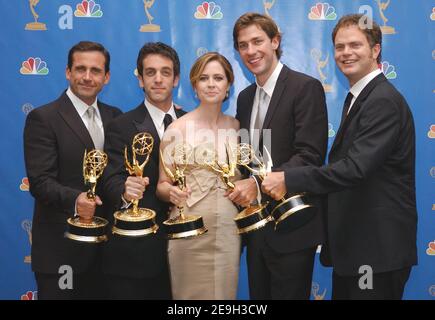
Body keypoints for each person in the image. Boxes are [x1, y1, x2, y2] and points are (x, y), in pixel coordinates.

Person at [262, 14, 418, 300]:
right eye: (339, 46)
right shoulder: (361, 97)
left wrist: (289, 178)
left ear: (375, 49)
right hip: (357, 250)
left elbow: (355, 169)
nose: (345, 53)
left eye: (355, 45)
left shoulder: (382, 100)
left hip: (375, 252)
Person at [231, 12, 328, 299]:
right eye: (243, 45)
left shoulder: (305, 87)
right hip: (257, 229)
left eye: (257, 41)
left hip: (293, 227)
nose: (250, 51)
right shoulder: (245, 98)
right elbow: (246, 156)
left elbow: (310, 154)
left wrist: (257, 184)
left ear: (275, 41)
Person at [23, 41, 122, 299]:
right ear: (68, 72)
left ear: (107, 77)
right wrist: (76, 201)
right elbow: (40, 181)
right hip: (61, 253)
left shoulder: (115, 117)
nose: (87, 77)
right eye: (80, 69)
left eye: (95, 70)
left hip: (108, 255)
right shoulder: (43, 118)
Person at [102, 42, 185, 299]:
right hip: (137, 255)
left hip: (186, 252)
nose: (158, 79)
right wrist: (125, 191)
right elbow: (109, 179)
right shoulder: (121, 125)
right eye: (150, 73)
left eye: (165, 72)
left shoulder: (193, 123)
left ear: (176, 79)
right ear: (140, 79)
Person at [156, 52, 241, 300]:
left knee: (225, 296)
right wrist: (169, 191)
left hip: (228, 228)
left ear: (228, 85)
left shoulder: (236, 127)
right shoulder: (177, 129)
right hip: (189, 227)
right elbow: (162, 184)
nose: (211, 84)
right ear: (194, 86)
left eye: (218, 78)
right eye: (204, 78)